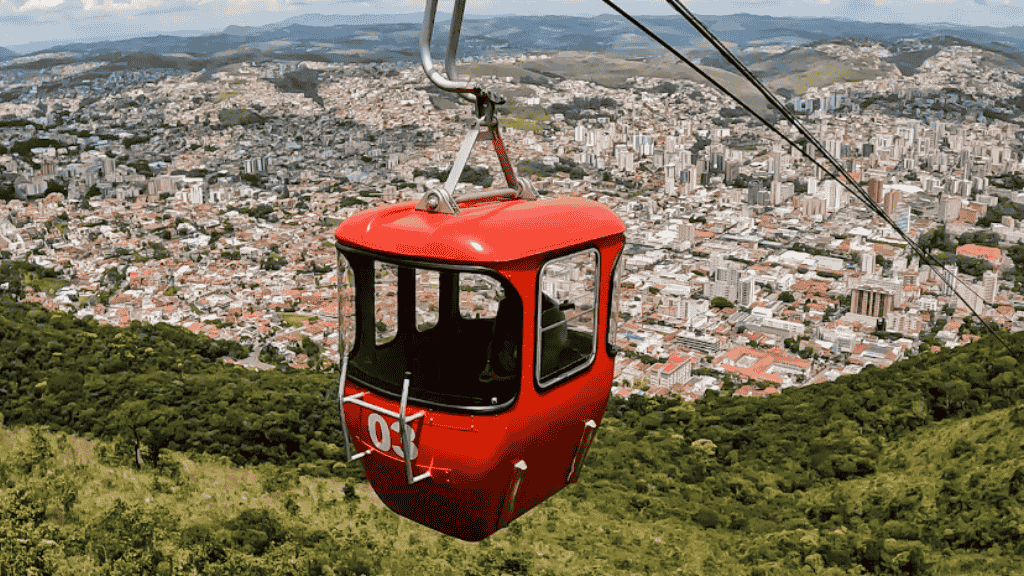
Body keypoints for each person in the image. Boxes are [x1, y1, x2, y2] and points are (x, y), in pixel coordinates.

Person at [479, 296, 521, 383]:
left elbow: (521, 377)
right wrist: (488, 365)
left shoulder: (522, 343)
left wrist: (497, 379)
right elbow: (494, 341)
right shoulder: (500, 338)